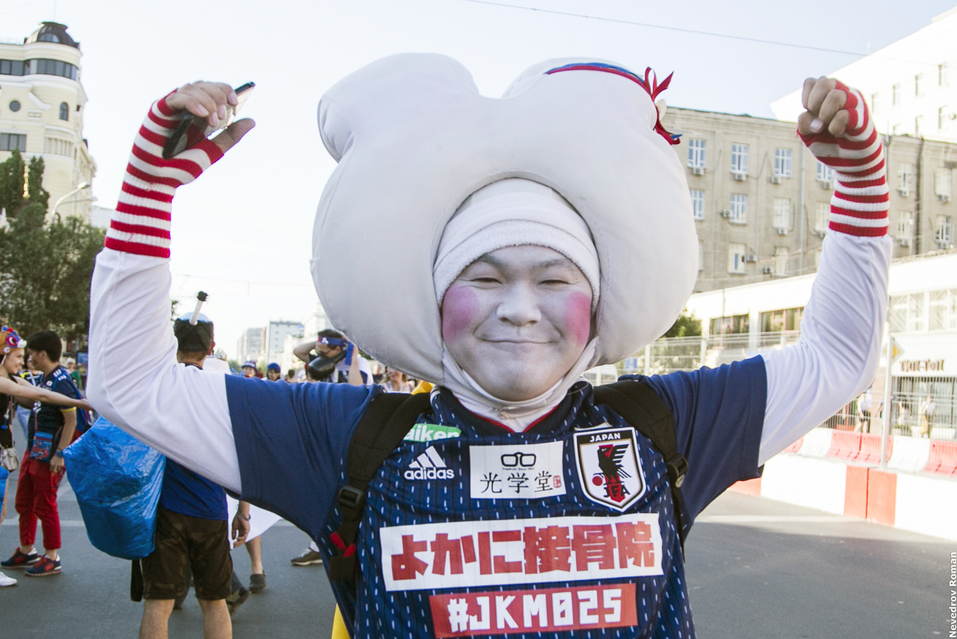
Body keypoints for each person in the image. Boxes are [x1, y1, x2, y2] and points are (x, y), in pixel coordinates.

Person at [87, 61, 889, 638]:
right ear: (436, 299)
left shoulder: (663, 425)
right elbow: (130, 384)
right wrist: (147, 193)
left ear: (595, 299)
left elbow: (837, 359)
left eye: (554, 279)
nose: (519, 308)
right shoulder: (347, 439)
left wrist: (858, 182)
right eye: (483, 276)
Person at [139, 311, 250, 638]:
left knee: (158, 603)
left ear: (173, 343)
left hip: (165, 511)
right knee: (215, 603)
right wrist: (243, 511)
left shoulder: (156, 386)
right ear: (211, 347)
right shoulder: (226, 390)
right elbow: (243, 454)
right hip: (210, 510)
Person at [0, 327, 91, 587]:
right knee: (24, 502)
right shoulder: (42, 378)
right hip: (34, 450)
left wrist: (60, 454)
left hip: (48, 453)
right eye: (19, 356)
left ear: (42, 354)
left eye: (27, 355)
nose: (25, 361)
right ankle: (27, 549)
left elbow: (70, 418)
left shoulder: (60, 380)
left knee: (45, 505)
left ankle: (52, 555)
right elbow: (36, 397)